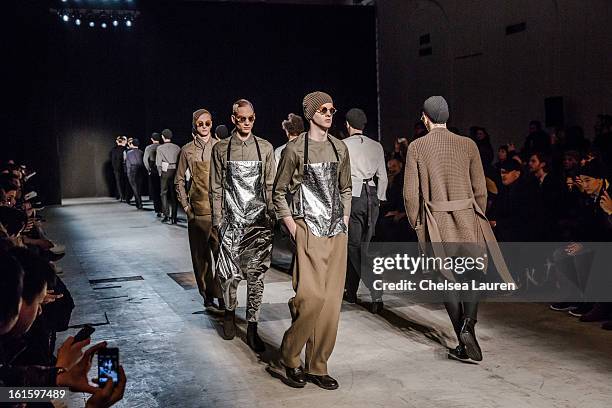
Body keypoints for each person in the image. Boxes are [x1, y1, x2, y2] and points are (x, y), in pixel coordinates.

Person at [403, 96, 514, 363]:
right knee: (472, 273)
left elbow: (410, 194)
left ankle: (463, 336)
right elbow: (480, 188)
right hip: (467, 215)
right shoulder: (468, 144)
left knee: (446, 279)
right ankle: (469, 326)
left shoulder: (417, 147)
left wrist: (417, 222)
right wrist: (477, 215)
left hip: (436, 219)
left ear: (425, 117)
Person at [273, 91, 351, 390]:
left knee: (330, 304)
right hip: (308, 230)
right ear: (310, 114)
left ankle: (318, 366)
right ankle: (290, 355)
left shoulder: (339, 148)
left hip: (335, 233)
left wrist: (344, 220)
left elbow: (345, 187)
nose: (329, 114)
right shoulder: (294, 149)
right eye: (323, 110)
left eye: (332, 109)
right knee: (311, 298)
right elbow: (278, 192)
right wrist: (293, 227)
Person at [210, 99, 275, 352]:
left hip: (258, 224)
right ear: (234, 118)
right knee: (229, 276)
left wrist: (273, 217)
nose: (246, 123)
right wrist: (217, 221)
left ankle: (252, 327)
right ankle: (228, 314)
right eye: (241, 118)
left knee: (256, 277)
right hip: (231, 223)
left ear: (254, 118)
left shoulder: (265, 148)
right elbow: (216, 187)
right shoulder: (222, 149)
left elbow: (270, 186)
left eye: (250, 118)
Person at [175, 109, 224, 312]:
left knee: (222, 258)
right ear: (195, 125)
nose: (204, 127)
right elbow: (178, 180)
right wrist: (186, 207)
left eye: (208, 123)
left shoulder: (220, 147)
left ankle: (220, 294)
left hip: (219, 212)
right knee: (200, 259)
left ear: (212, 124)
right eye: (200, 124)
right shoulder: (187, 150)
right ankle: (207, 295)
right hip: (197, 212)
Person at [341, 108, 387, 313]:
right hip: (372, 194)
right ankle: (350, 291)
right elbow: (383, 176)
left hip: (354, 196)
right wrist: (380, 198)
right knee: (361, 247)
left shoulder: (343, 145)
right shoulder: (376, 146)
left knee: (354, 247)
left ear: (348, 125)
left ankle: (375, 289)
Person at [156, 129, 180, 223]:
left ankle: (166, 215)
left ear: (162, 137)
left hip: (165, 171)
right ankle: (174, 217)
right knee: (174, 194)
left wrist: (160, 173)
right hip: (175, 170)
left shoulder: (160, 148)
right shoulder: (177, 147)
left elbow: (158, 163)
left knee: (163, 193)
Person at [143, 132, 163, 217]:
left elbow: (145, 160)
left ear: (152, 139)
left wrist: (149, 169)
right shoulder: (162, 147)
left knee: (155, 190)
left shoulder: (149, 148)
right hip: (163, 169)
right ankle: (164, 208)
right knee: (163, 190)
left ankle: (158, 209)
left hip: (153, 169)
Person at [125, 138, 145, 210]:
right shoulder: (141, 152)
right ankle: (138, 203)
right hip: (140, 170)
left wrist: (128, 173)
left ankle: (139, 203)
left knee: (135, 188)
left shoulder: (129, 153)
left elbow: (128, 164)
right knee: (138, 187)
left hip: (133, 170)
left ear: (132, 144)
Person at [110, 136, 127, 201]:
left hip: (117, 169)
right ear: (122, 141)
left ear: (117, 141)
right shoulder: (125, 149)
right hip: (124, 168)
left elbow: (113, 160)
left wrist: (114, 168)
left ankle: (121, 196)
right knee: (125, 182)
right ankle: (125, 196)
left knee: (119, 183)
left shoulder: (113, 150)